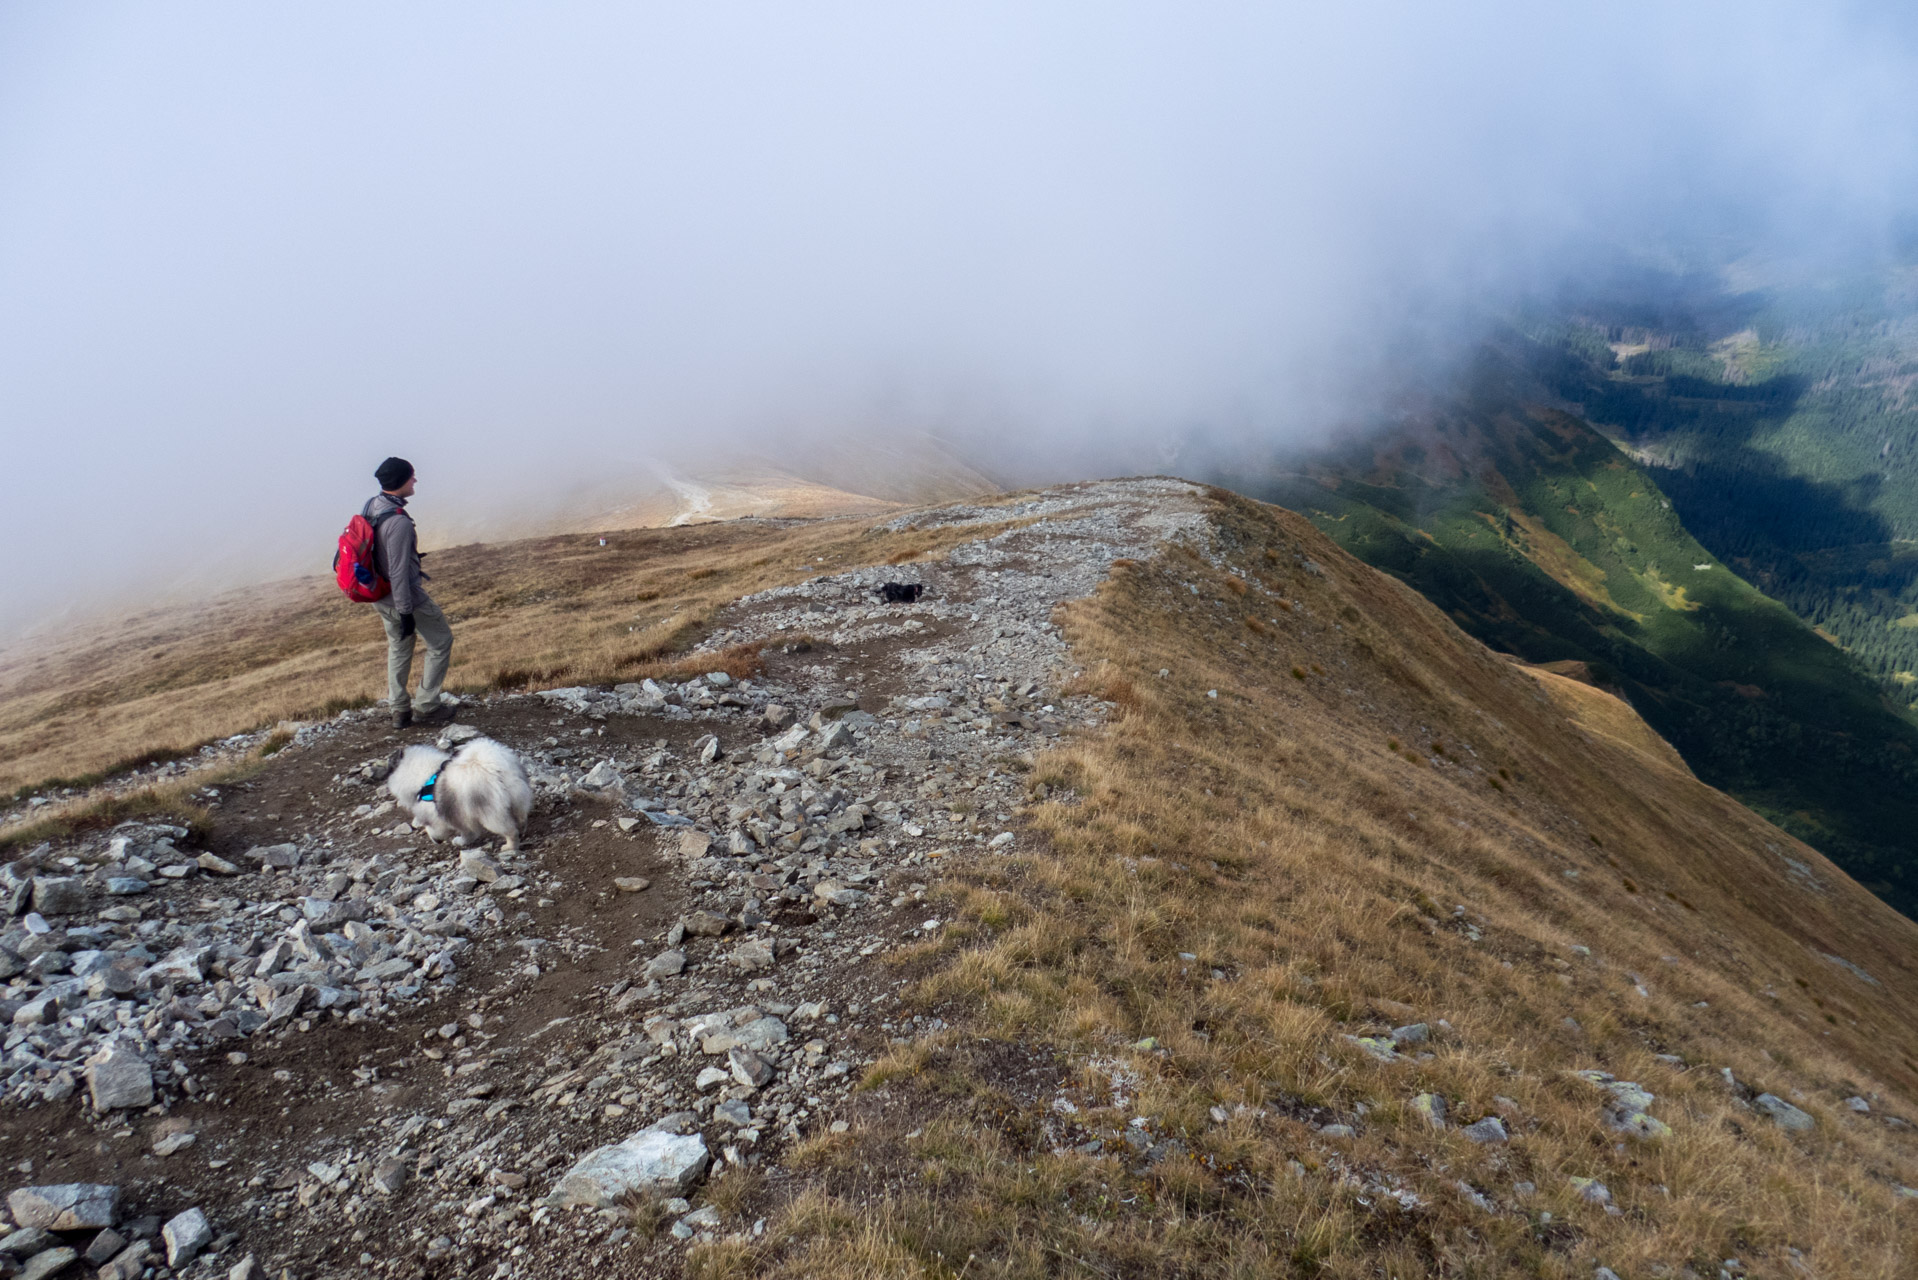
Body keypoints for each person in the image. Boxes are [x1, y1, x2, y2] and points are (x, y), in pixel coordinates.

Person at [365, 457, 455, 728]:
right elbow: (399, 572)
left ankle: (399, 710)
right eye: (412, 476)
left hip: (379, 597)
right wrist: (406, 611)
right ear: (402, 481)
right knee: (440, 641)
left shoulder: (372, 505)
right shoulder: (399, 523)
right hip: (404, 598)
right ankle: (427, 707)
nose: (415, 480)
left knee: (399, 646)